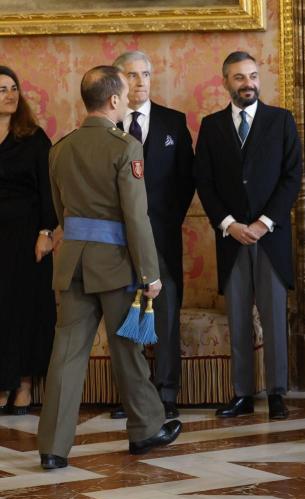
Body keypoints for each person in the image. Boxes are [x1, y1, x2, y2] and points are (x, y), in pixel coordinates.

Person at [37, 66, 181, 470]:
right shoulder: (125, 148)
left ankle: (52, 448)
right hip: (115, 265)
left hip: (71, 265)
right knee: (127, 348)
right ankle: (146, 430)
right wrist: (150, 274)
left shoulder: (59, 148)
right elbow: (137, 218)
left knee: (65, 355)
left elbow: (60, 208)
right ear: (115, 100)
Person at [195, 51, 302, 421]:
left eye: (253, 76)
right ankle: (241, 393)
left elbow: (292, 178)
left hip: (270, 237)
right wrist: (229, 224)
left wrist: (263, 223)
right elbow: (204, 183)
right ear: (225, 81)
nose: (248, 84)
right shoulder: (210, 126)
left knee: (274, 317)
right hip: (231, 238)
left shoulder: (281, 121)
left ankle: (276, 393)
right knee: (238, 317)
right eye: (240, 78)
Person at [107, 51, 195, 421]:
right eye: (133, 75)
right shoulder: (106, 127)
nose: (141, 82)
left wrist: (166, 220)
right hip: (115, 239)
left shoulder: (174, 122)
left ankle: (167, 390)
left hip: (162, 234)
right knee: (123, 312)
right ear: (119, 82)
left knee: (165, 311)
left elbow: (187, 180)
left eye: (146, 74)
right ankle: (132, 393)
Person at [0, 66, 56, 415]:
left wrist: (46, 233)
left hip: (26, 237)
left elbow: (49, 188)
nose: (9, 93)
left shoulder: (33, 137)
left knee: (23, 310)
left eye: (13, 87)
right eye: (1, 88)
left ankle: (22, 384)